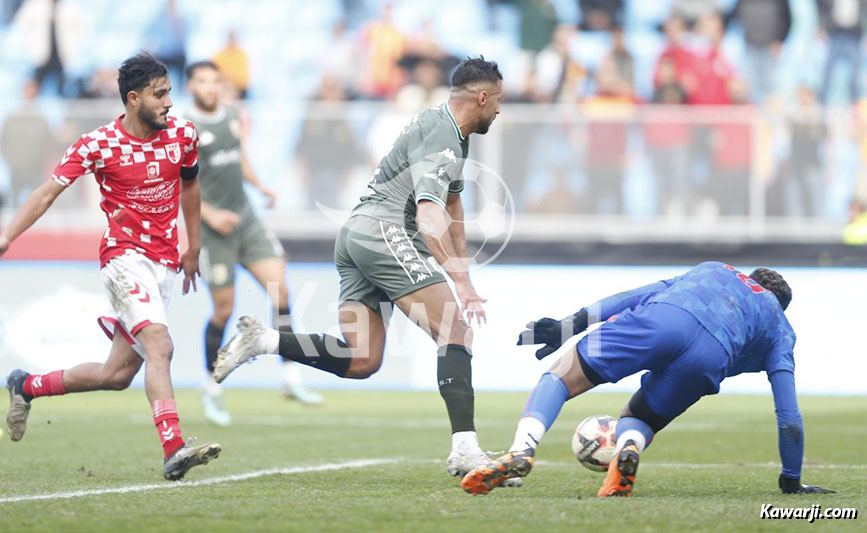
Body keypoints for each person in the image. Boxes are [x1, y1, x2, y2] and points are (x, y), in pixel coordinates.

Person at [213, 56, 513, 481]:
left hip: (357, 235)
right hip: (385, 233)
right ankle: (465, 449)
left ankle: (262, 340)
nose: (499, 109)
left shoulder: (448, 132)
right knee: (455, 331)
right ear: (482, 97)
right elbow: (430, 215)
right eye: (498, 99)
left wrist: (461, 267)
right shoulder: (443, 138)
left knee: (361, 360)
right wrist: (460, 284)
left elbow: (452, 204)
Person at [1, 52, 220, 481]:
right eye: (160, 95)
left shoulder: (183, 134)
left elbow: (191, 185)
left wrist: (193, 245)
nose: (169, 102)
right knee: (160, 345)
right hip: (124, 259)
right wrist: (8, 235)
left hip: (165, 264)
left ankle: (26, 385)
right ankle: (173, 448)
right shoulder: (97, 144)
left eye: (169, 93)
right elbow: (47, 193)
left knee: (116, 374)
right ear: (133, 99)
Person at [461, 261, 835, 498]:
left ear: (749, 278)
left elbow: (638, 295)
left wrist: (572, 323)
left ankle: (522, 449)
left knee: (560, 374)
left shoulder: (714, 269)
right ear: (780, 305)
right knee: (640, 415)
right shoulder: (780, 328)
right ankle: (629, 447)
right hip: (710, 359)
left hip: (662, 318)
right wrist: (791, 479)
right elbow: (789, 417)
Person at [184, 60, 322, 427]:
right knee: (223, 311)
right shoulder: (184, 129)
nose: (210, 87)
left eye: (215, 80)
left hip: (246, 221)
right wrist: (211, 215)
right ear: (190, 86)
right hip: (214, 231)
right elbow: (180, 185)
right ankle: (210, 386)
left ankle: (291, 378)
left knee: (280, 291)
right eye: (202, 81)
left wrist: (260, 186)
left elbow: (238, 156)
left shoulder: (232, 115)